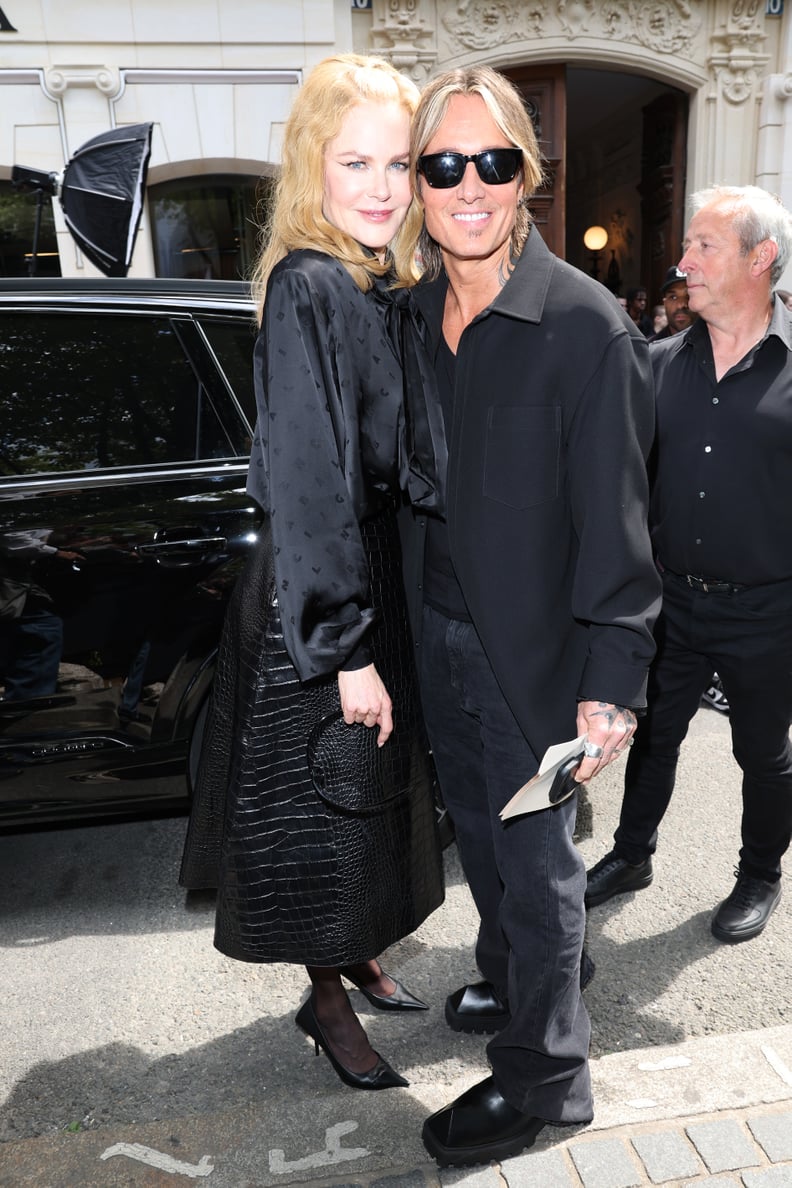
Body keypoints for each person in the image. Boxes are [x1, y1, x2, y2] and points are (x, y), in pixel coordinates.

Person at [404, 65, 660, 1166]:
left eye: (493, 162)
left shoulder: (582, 324)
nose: (470, 184)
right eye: (444, 163)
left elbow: (620, 529)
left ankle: (548, 1076)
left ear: (527, 177)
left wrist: (613, 687)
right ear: (418, 182)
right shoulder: (413, 313)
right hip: (442, 635)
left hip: (544, 656)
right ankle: (516, 988)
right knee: (483, 843)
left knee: (539, 861)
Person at [179, 53, 445, 1092]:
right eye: (355, 161)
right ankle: (324, 1001)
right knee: (324, 819)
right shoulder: (309, 285)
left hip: (366, 572)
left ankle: (357, 954)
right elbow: (306, 481)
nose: (381, 185)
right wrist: (343, 650)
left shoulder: (379, 280)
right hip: (316, 593)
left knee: (370, 800)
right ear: (312, 169)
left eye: (397, 161)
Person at [586, 185, 792, 948]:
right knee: (654, 734)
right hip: (669, 599)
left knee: (763, 752)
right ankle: (631, 856)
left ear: (758, 257)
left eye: (704, 246)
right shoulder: (656, 364)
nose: (684, 262)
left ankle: (759, 874)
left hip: (770, 608)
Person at [649, 265, 696, 341]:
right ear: (665, 303)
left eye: (688, 296)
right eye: (673, 297)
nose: (680, 305)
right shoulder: (650, 349)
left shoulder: (716, 345)